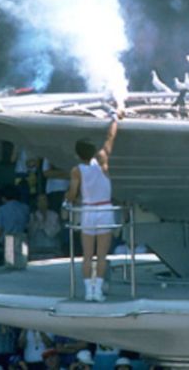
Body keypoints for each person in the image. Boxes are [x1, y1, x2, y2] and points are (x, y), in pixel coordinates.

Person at [64, 112, 120, 302]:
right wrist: (115, 119)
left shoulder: (76, 170)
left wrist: (67, 198)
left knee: (87, 255)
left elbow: (72, 194)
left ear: (77, 154)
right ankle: (98, 291)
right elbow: (110, 137)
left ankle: (89, 292)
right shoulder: (102, 160)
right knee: (101, 255)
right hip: (105, 210)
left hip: (88, 210)